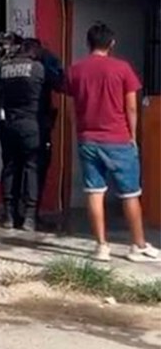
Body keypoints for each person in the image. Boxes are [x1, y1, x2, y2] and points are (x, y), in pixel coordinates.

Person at [66, 23, 159, 263]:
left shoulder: (75, 71)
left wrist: (80, 131)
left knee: (94, 192)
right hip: (118, 139)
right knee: (130, 194)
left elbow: (71, 106)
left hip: (88, 139)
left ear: (88, 44)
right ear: (112, 43)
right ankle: (137, 246)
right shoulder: (122, 68)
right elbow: (130, 106)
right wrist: (132, 136)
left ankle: (101, 246)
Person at [0, 35, 64, 231]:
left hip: (8, 125)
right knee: (33, 168)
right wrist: (48, 56)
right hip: (33, 125)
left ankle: (9, 215)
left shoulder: (4, 67)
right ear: (35, 51)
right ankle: (30, 218)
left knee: (10, 167)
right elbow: (60, 80)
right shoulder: (39, 68)